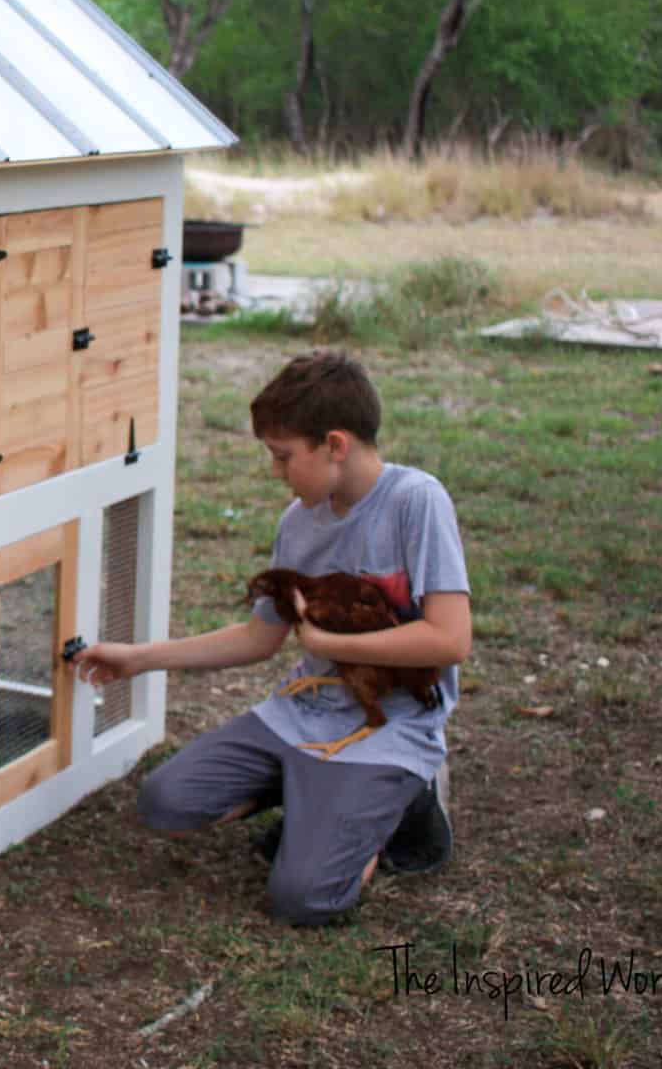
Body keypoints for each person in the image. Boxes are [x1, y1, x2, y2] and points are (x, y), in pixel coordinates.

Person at [71, 350, 471, 925]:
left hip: (390, 726)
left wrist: (334, 647)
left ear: (335, 444)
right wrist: (139, 658)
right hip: (304, 716)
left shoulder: (416, 501)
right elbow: (260, 638)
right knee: (166, 802)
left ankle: (406, 802)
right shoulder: (299, 521)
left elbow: (450, 640)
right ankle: (321, 804)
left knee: (303, 900)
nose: (276, 471)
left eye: (283, 457)